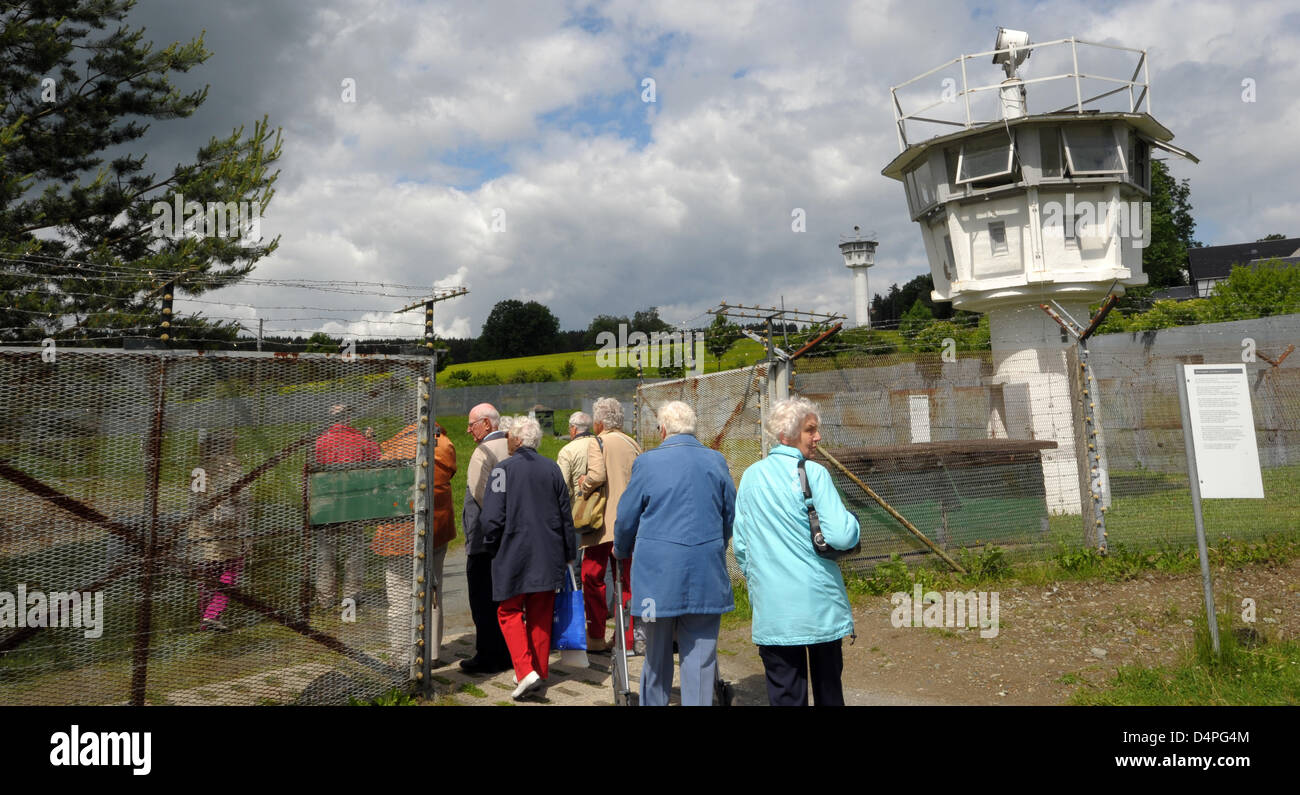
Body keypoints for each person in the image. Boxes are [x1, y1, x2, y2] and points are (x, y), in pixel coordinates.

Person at [733, 397, 860, 706]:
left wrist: (759, 582)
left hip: (775, 610)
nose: (817, 437)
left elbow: (740, 545)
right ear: (786, 435)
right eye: (810, 430)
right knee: (829, 692)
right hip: (820, 607)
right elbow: (842, 536)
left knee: (786, 695)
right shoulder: (814, 474)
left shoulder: (750, 476)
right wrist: (854, 524)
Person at [613, 401, 735, 706]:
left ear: (662, 429)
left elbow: (627, 518)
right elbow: (729, 515)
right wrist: (715, 544)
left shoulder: (647, 463)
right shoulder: (716, 461)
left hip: (657, 580)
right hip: (706, 573)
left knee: (655, 651)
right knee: (701, 656)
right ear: (693, 428)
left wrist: (621, 549)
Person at [481, 416, 577, 699]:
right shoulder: (552, 469)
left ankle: (524, 671)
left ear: (518, 440)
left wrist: (489, 543)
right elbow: (565, 515)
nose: (508, 439)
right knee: (540, 615)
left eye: (510, 435)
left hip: (513, 552)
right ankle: (539, 671)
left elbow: (492, 517)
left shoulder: (502, 470)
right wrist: (569, 552)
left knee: (508, 611)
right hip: (549, 554)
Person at [371, 421, 457, 667]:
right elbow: (450, 473)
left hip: (399, 535)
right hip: (436, 530)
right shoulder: (444, 444)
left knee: (400, 598)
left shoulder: (394, 448)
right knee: (433, 592)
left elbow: (380, 489)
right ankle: (431, 655)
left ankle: (402, 657)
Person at [577, 397, 642, 652]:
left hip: (602, 523)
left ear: (600, 422)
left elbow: (597, 475)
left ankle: (595, 635)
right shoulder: (632, 443)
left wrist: (584, 482)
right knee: (626, 579)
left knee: (591, 575)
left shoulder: (598, 442)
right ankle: (626, 637)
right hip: (630, 522)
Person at [459, 402, 512, 674]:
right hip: (509, 538)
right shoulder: (513, 446)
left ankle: (487, 656)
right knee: (503, 600)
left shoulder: (484, 451)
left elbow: (481, 497)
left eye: (472, 424)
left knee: (482, 600)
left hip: (484, 541)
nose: (468, 430)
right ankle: (506, 652)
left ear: (487, 424)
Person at [313, 404, 381, 610]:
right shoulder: (359, 440)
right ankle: (350, 595)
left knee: (326, 551)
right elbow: (376, 458)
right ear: (348, 418)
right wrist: (370, 440)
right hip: (353, 504)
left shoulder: (321, 441)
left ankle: (325, 596)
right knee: (354, 550)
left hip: (327, 504)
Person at [189, 428, 251, 632]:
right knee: (231, 568)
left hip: (200, 528)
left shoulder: (200, 467)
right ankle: (212, 614)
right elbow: (242, 499)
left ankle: (204, 618)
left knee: (207, 573)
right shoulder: (231, 466)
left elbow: (193, 500)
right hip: (226, 528)